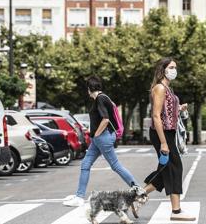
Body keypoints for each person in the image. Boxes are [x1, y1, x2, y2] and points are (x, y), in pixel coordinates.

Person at [63, 76, 138, 207]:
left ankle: (137, 189)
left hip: (103, 138)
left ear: (89, 88)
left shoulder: (100, 99)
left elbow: (105, 119)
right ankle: (79, 196)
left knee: (115, 165)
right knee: (85, 164)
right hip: (99, 139)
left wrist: (96, 135)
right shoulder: (103, 98)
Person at [142, 57, 196, 222]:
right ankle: (176, 211)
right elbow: (156, 116)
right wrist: (164, 142)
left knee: (165, 171)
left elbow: (167, 112)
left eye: (175, 67)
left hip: (169, 132)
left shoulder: (167, 88)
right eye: (172, 67)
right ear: (163, 69)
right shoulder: (159, 88)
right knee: (175, 168)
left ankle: (136, 196)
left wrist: (179, 108)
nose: (174, 70)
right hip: (162, 134)